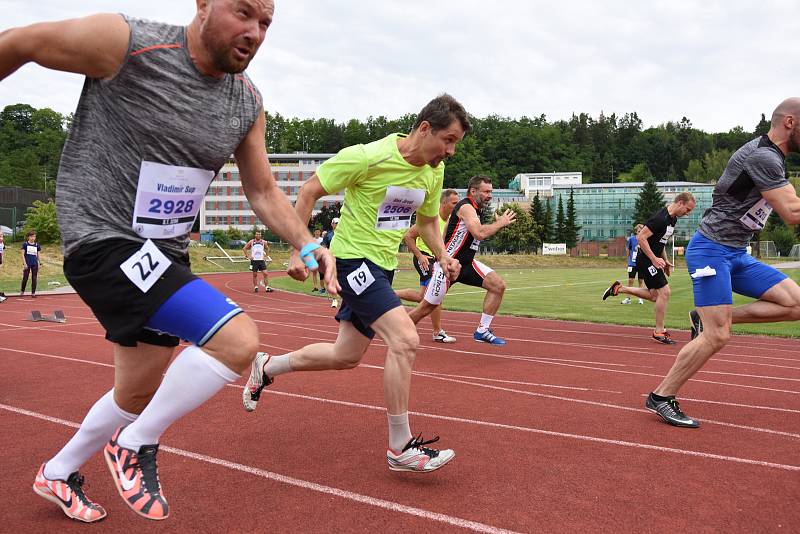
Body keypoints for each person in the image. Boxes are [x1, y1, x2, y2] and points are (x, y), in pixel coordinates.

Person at [2, 1, 336, 522]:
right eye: (243, 13)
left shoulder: (246, 101)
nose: (254, 33)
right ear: (203, 4)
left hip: (165, 253)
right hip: (103, 237)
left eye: (265, 23)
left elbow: (263, 189)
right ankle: (134, 444)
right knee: (238, 340)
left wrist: (309, 243)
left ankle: (58, 471)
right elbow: (18, 42)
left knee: (136, 390)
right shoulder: (127, 43)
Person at [242, 94, 469, 472]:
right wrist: (300, 250)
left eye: (456, 144)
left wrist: (442, 254)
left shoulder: (433, 171)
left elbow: (428, 220)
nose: (451, 151)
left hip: (384, 267)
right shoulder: (368, 156)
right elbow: (309, 190)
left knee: (345, 355)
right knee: (405, 339)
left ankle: (266, 366)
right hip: (350, 262)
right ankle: (400, 447)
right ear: (425, 128)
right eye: (448, 140)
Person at [645, 97, 800, 428]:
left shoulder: (774, 158)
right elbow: (792, 213)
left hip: (736, 254)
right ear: (789, 122)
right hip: (711, 252)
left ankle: (704, 319)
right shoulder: (763, 156)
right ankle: (661, 396)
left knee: (796, 303)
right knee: (718, 336)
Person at [408, 175, 515, 346]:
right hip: (449, 266)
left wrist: (441, 248)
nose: (490, 195)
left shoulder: (474, 209)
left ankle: (482, 330)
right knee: (425, 308)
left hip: (466, 264)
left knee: (498, 285)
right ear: (473, 191)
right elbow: (479, 233)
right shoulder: (466, 206)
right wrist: (500, 223)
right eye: (486, 191)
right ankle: (396, 329)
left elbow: (447, 232)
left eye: (491, 191)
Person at [602, 193, 696, 344]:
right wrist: (654, 258)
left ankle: (619, 289)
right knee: (665, 293)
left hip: (653, 260)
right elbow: (641, 238)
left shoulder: (673, 220)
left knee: (654, 296)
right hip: (646, 259)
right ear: (680, 202)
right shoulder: (660, 218)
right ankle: (659, 331)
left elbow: (661, 242)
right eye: (688, 209)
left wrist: (664, 261)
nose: (688, 213)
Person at [395, 189, 460, 343]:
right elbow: (408, 236)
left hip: (437, 260)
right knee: (437, 293)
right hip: (425, 259)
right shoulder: (432, 220)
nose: (457, 206)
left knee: (422, 297)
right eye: (454, 203)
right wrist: (419, 255)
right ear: (444, 203)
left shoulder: (451, 221)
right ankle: (437, 332)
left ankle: (390, 295)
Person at [620, 224, 645, 305]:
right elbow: (628, 248)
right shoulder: (631, 239)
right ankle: (628, 298)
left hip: (642, 263)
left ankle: (640, 298)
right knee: (630, 280)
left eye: (641, 231)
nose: (639, 232)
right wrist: (628, 259)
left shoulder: (645, 239)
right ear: (636, 231)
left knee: (641, 281)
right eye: (638, 231)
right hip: (632, 263)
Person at [320, 217, 340, 307]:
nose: (337, 225)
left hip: (344, 259)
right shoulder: (328, 235)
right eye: (335, 223)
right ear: (332, 224)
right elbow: (323, 247)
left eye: (338, 223)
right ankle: (334, 299)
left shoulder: (345, 234)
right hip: (332, 259)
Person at [20, 230, 42, 298]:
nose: (33, 238)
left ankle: (33, 293)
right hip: (27, 263)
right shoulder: (25, 244)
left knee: (34, 278)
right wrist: (25, 263)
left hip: (34, 263)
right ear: (28, 237)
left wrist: (39, 263)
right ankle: (22, 291)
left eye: (34, 236)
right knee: (25, 278)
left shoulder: (37, 245)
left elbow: (38, 255)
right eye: (32, 236)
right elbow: (22, 255)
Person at [0, 233, 6, 301]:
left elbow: (2, 253)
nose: (1, 237)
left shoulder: (2, 244)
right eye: (0, 236)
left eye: (2, 236)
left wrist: (2, 262)